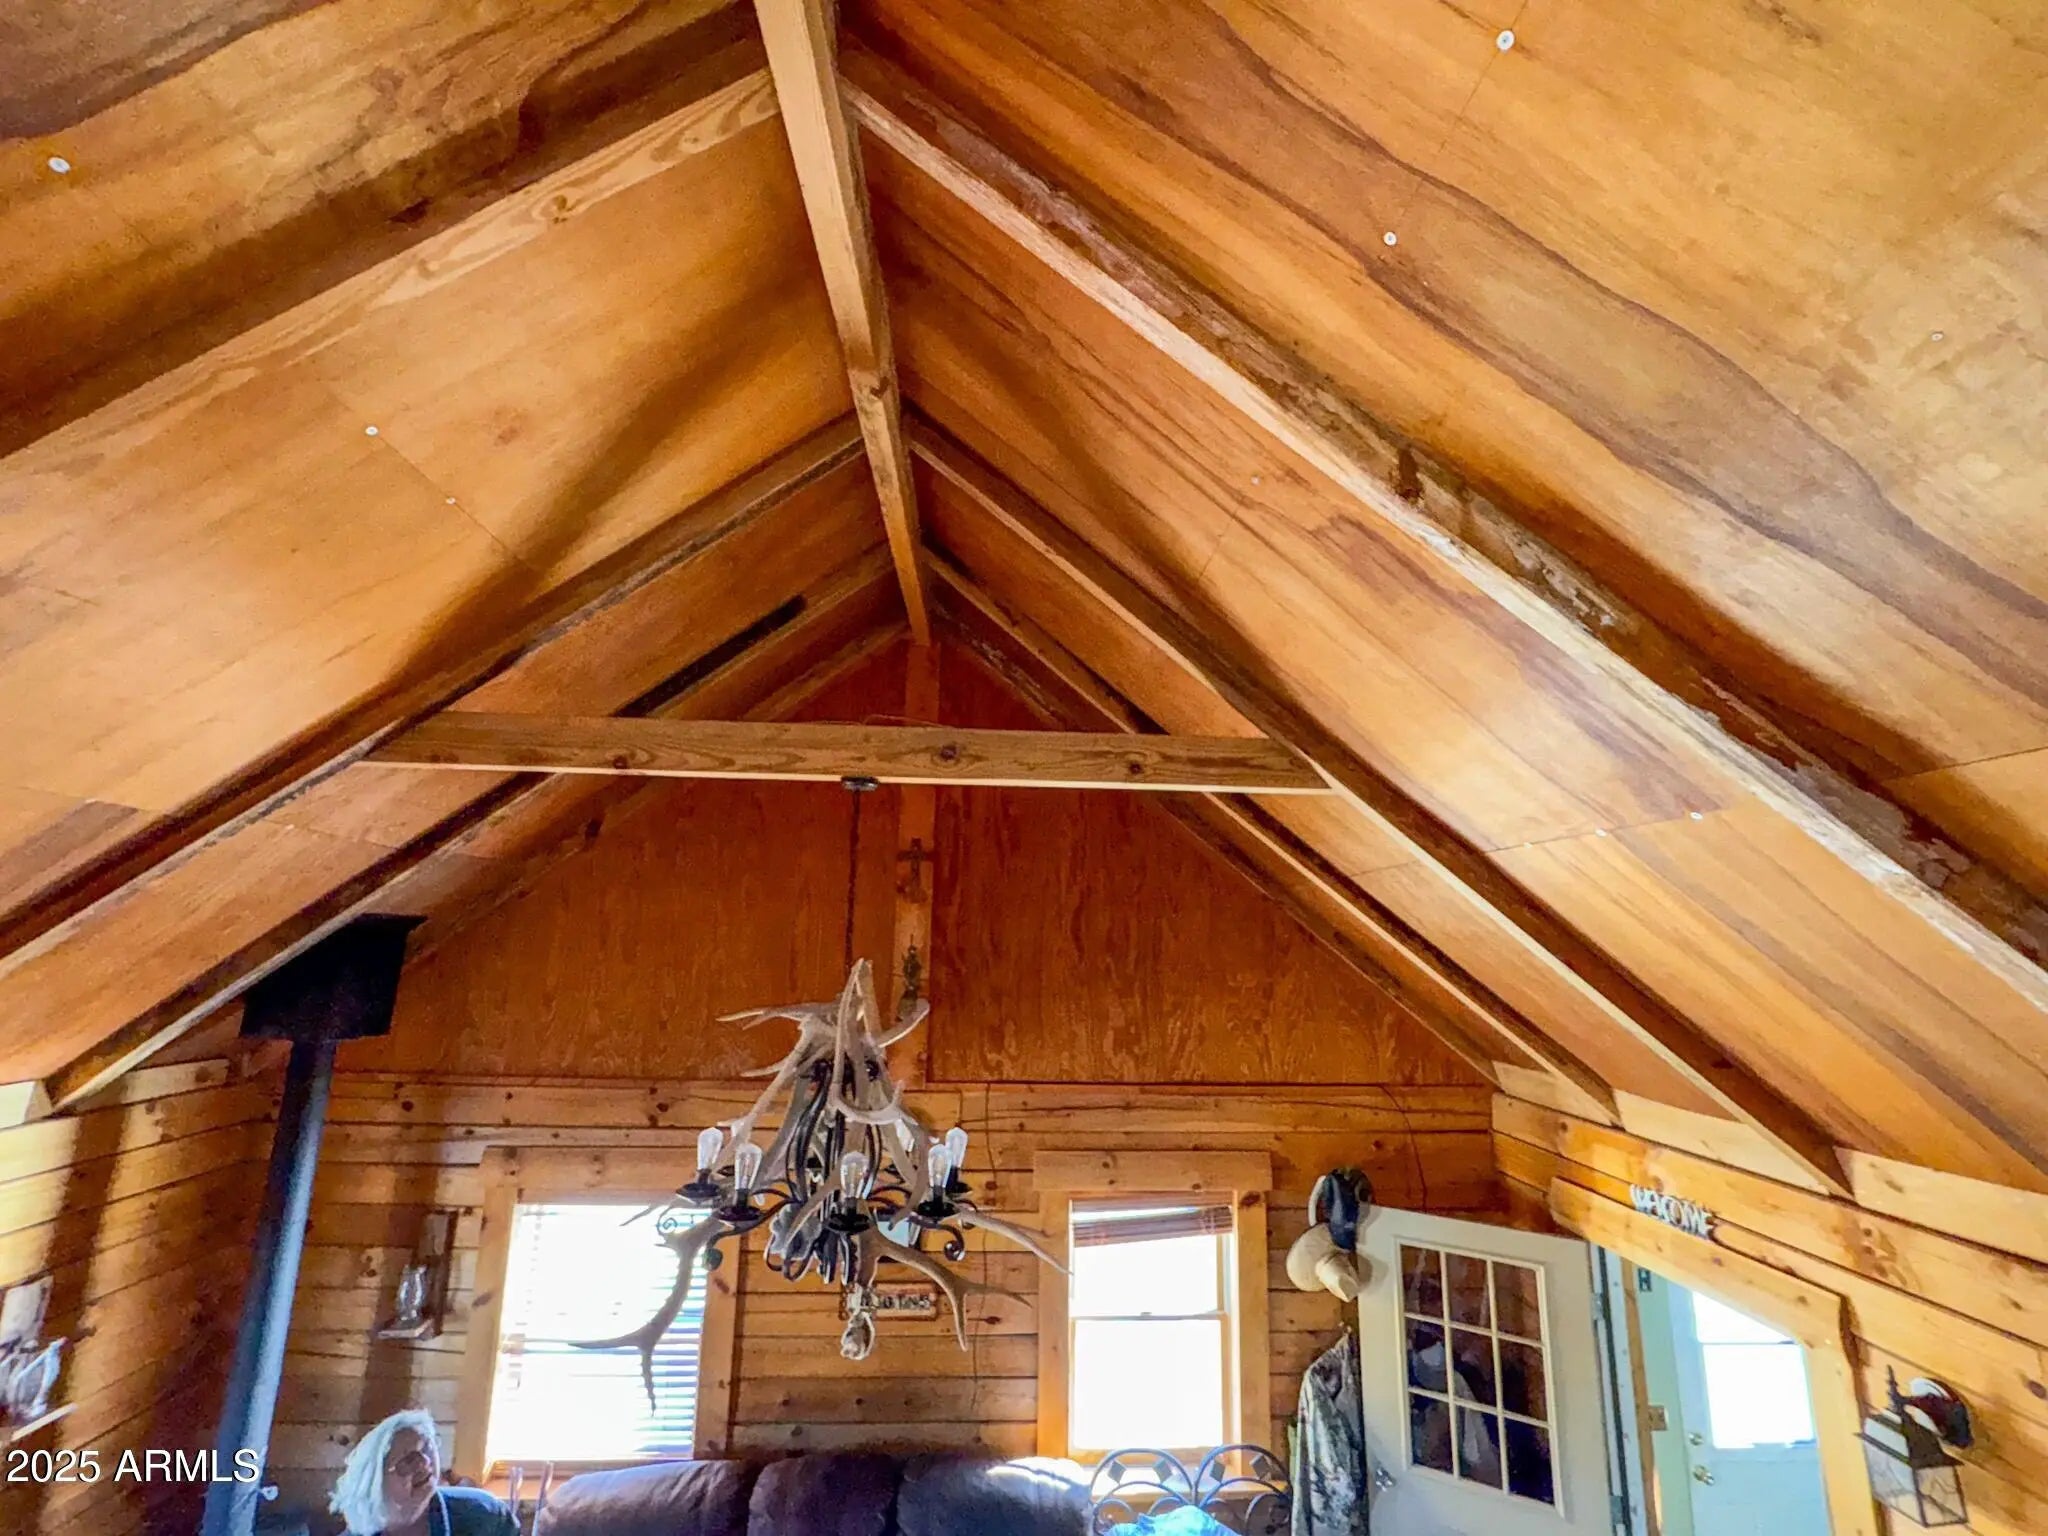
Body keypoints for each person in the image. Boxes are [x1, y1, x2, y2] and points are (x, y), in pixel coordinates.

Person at [330, 1409, 519, 1536]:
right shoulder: (360, 1529)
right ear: (375, 1481)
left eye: (428, 1449)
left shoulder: (485, 1514)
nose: (426, 1462)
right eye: (408, 1460)